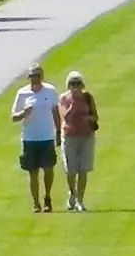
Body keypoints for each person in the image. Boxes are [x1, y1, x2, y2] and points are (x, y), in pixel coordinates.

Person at [10, 64, 60, 211]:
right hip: (30, 138)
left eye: (37, 76)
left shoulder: (50, 91)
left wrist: (58, 131)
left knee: (49, 169)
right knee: (33, 172)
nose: (35, 79)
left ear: (42, 77)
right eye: (32, 76)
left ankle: (47, 197)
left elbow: (55, 112)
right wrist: (24, 113)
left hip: (46, 137)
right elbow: (14, 117)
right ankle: (36, 203)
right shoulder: (22, 94)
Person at [58, 71, 100, 212]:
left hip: (86, 136)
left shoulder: (87, 97)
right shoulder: (64, 98)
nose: (75, 86)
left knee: (83, 169)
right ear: (68, 85)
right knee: (71, 170)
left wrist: (87, 118)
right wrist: (73, 104)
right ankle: (72, 194)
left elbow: (95, 116)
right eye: (72, 84)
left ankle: (80, 200)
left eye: (78, 83)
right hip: (69, 136)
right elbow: (64, 117)